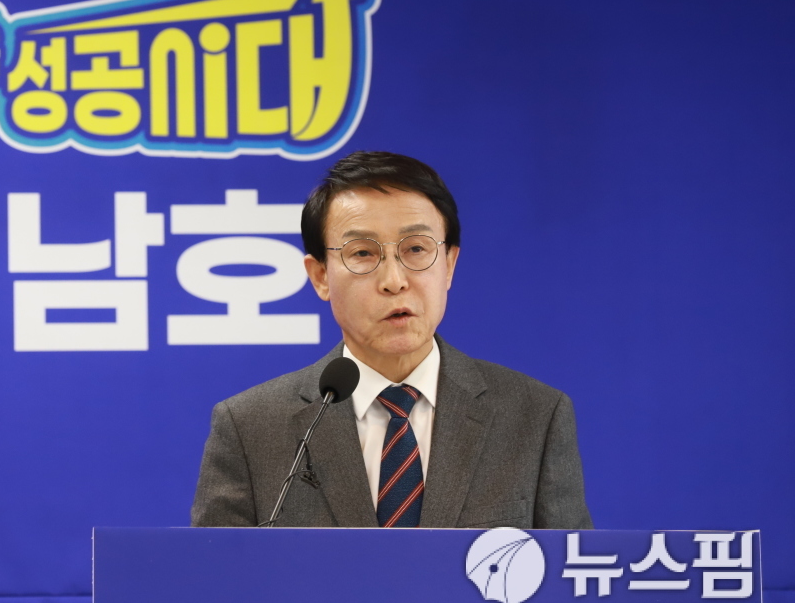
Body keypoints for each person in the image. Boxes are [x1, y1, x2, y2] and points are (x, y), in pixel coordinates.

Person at [191, 151, 592, 529]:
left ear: (449, 265)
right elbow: (218, 574)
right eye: (363, 254)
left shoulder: (534, 417)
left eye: (416, 249)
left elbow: (566, 573)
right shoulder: (250, 428)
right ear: (321, 276)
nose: (394, 281)